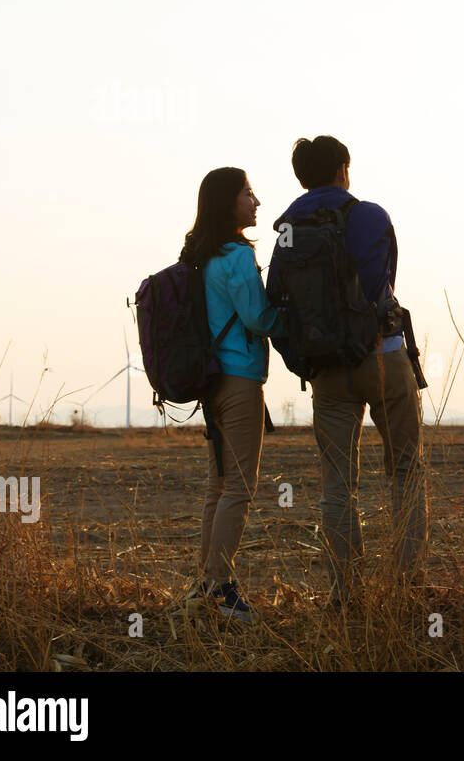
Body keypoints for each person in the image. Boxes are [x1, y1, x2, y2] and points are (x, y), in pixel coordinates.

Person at [271, 136, 427, 606]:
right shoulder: (371, 215)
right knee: (406, 470)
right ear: (344, 168)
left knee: (338, 482)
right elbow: (386, 282)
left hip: (327, 371)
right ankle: (407, 587)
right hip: (384, 355)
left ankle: (345, 594)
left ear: (301, 177)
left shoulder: (288, 227)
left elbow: (275, 298)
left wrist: (301, 357)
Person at [179, 167, 283, 623]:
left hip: (212, 381)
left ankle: (204, 586)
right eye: (248, 193)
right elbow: (258, 319)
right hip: (241, 380)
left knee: (217, 487)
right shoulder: (238, 255)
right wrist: (291, 319)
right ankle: (221, 589)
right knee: (239, 489)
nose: (256, 201)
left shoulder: (202, 256)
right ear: (228, 202)